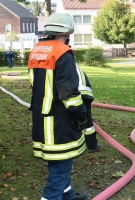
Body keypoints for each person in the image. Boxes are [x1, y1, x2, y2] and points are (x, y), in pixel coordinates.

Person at [28, 13, 88, 200]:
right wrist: (81, 113)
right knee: (61, 167)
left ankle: (68, 195)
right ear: (68, 32)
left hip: (41, 116)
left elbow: (34, 83)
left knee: (58, 163)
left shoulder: (37, 50)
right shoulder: (63, 52)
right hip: (58, 119)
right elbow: (68, 93)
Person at [76, 64, 100, 152]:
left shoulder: (58, 59)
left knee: (86, 119)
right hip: (82, 90)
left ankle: (92, 145)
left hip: (78, 91)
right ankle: (92, 145)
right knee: (85, 119)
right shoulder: (65, 58)